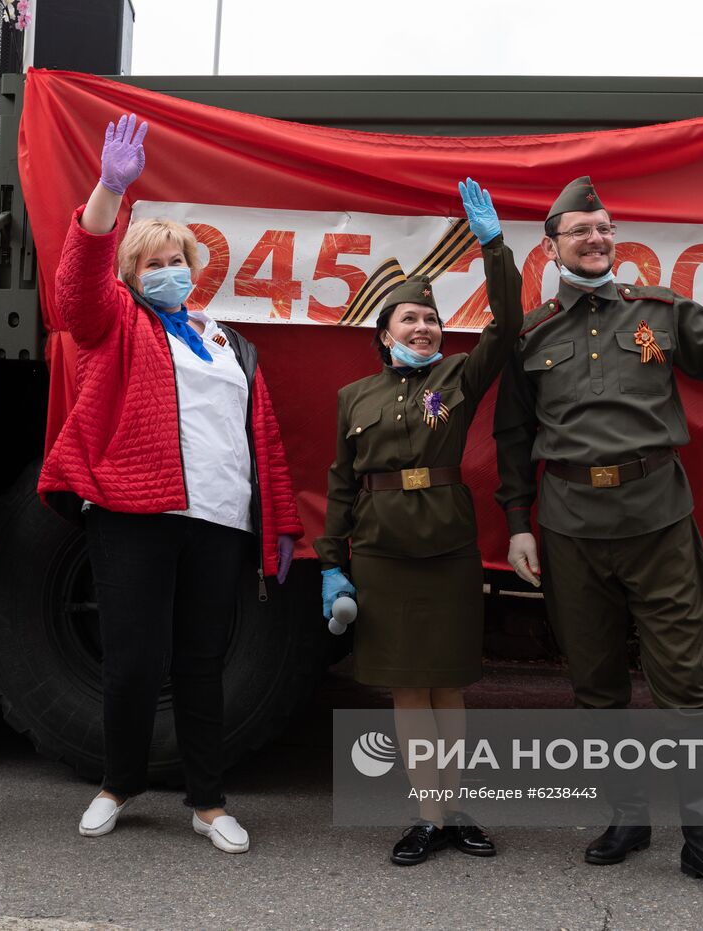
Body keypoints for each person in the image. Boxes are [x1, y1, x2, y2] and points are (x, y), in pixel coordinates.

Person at [493, 176, 703, 901]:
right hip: (569, 531)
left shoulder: (662, 309)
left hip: (658, 523)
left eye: (605, 228)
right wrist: (517, 525)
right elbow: (512, 436)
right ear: (552, 243)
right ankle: (626, 818)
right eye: (581, 230)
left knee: (682, 685)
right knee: (595, 686)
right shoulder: (530, 334)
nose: (596, 239)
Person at [38, 114, 304, 855]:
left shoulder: (228, 341)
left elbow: (263, 442)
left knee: (200, 663)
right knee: (131, 659)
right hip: (132, 513)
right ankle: (117, 783)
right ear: (131, 274)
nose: (167, 269)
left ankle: (208, 801)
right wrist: (107, 191)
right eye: (151, 261)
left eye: (176, 258)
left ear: (196, 266)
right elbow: (75, 286)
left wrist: (279, 522)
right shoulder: (113, 320)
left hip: (217, 520)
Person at [316, 180, 521, 866]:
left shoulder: (457, 380)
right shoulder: (354, 397)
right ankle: (429, 813)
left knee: (447, 681)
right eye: (409, 320)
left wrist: (494, 246)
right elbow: (342, 481)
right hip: (381, 551)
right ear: (384, 333)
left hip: (447, 548)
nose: (423, 328)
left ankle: (444, 810)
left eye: (430, 321)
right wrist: (331, 561)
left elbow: (508, 323)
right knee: (407, 683)